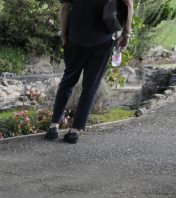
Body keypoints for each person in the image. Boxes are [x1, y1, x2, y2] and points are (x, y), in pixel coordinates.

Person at [46, 0, 134, 144]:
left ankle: (53, 126)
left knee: (68, 80)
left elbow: (64, 8)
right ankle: (75, 130)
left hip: (75, 38)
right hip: (102, 39)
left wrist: (63, 35)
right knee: (90, 86)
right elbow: (129, 5)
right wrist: (126, 34)